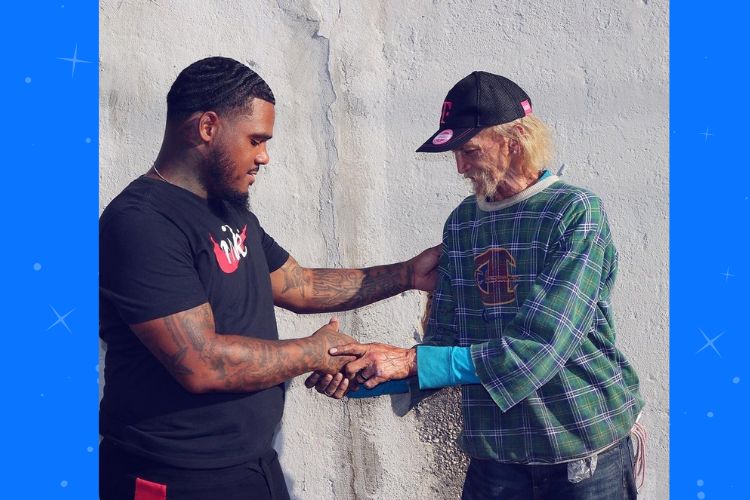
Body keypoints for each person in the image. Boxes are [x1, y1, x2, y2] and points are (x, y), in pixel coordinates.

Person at [98, 56, 440, 500]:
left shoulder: (227, 208)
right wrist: (313, 353)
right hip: (175, 477)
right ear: (207, 127)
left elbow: (298, 285)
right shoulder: (142, 222)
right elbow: (202, 362)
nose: (264, 156)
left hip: (252, 467)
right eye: (255, 140)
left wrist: (409, 274)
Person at [308, 71, 645, 499]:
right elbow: (445, 345)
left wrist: (409, 362)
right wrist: (366, 373)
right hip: (495, 457)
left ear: (515, 140)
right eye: (455, 153)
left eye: (469, 150)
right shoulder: (464, 222)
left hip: (579, 451)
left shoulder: (575, 213)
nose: (460, 167)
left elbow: (542, 346)